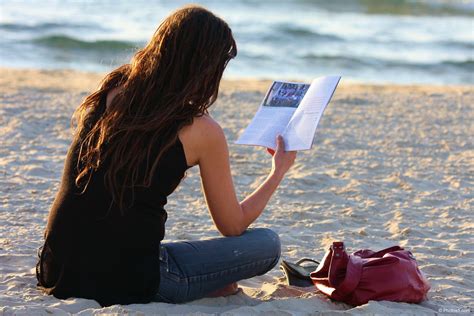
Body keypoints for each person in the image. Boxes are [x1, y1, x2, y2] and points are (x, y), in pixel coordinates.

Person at [36, 5, 297, 306]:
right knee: (267, 244)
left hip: (58, 271)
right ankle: (206, 283)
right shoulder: (202, 130)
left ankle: (206, 279)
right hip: (131, 282)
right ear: (207, 67)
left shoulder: (111, 92)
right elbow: (232, 225)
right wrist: (278, 171)